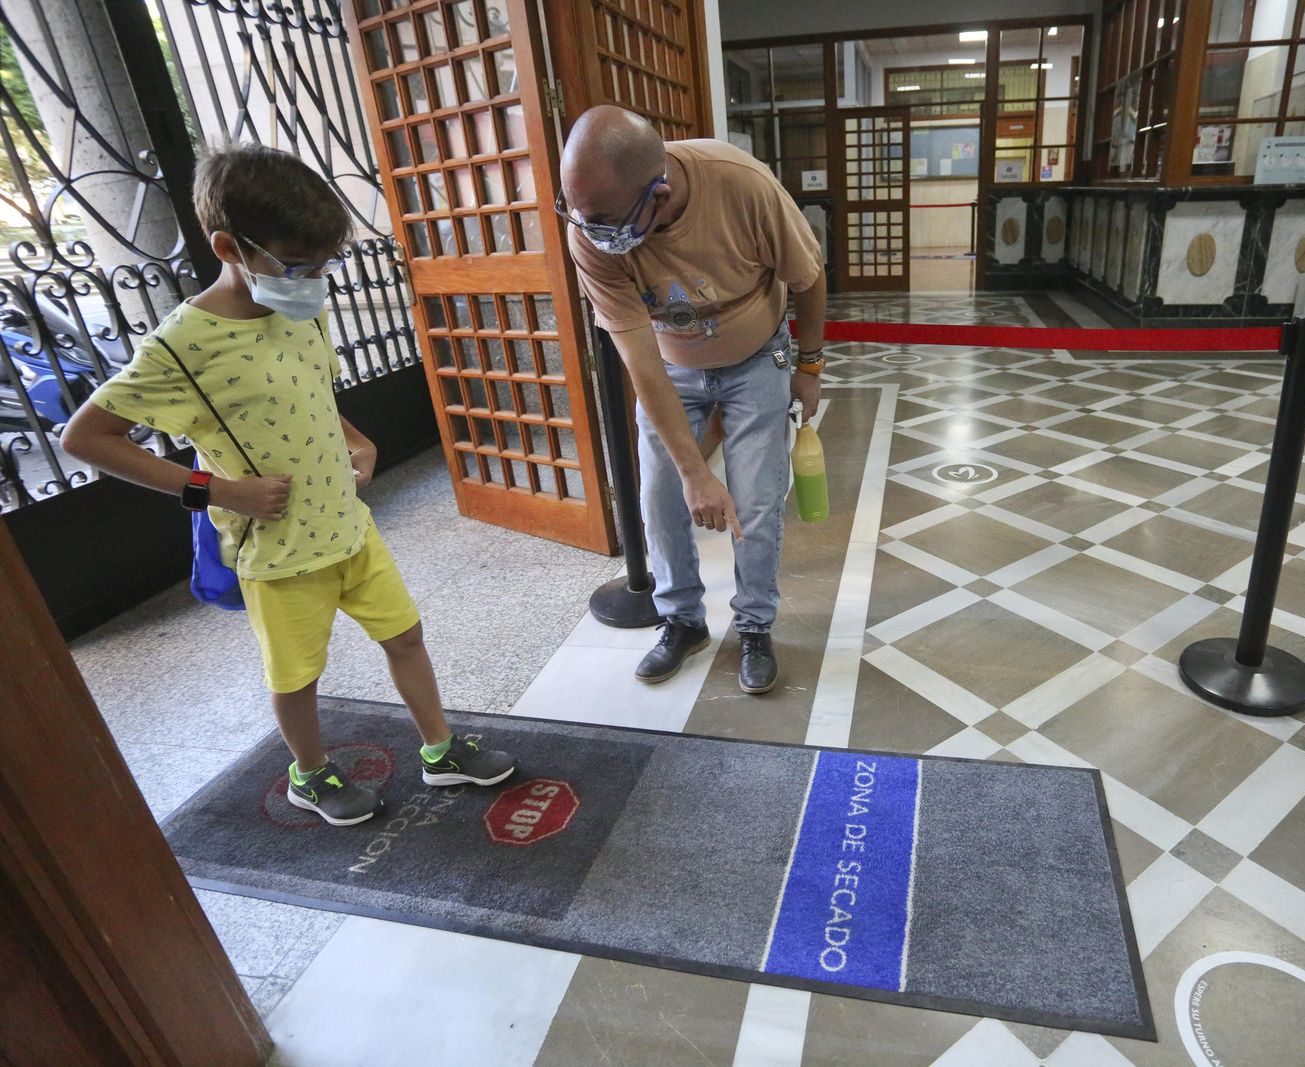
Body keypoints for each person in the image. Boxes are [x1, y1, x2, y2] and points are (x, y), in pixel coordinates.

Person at [61, 143, 515, 826]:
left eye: (323, 264)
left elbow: (307, 391)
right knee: (297, 677)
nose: (315, 278)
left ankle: (441, 749)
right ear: (229, 246)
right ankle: (310, 773)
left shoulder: (301, 305)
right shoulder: (183, 346)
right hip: (276, 552)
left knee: (407, 635)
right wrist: (216, 491)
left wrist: (353, 436)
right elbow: (85, 439)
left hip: (348, 525)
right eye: (300, 264)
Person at [557, 105, 826, 695]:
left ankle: (755, 626)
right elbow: (640, 360)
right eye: (579, 213)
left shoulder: (741, 184)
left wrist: (809, 365)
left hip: (758, 355)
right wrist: (692, 469)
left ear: (658, 193)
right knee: (659, 495)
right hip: (671, 363)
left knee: (754, 504)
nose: (590, 229)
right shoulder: (592, 233)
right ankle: (682, 620)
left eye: (602, 217)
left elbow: (807, 276)